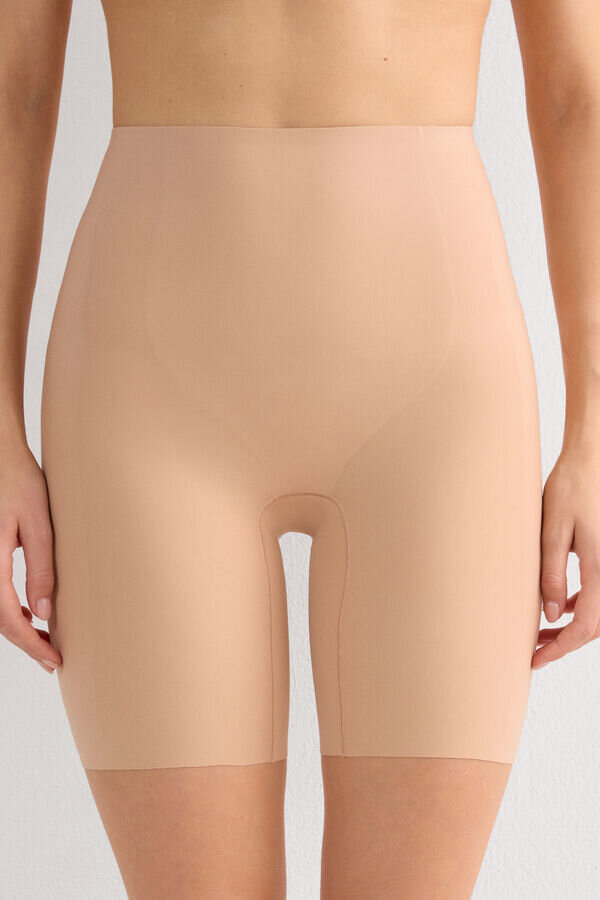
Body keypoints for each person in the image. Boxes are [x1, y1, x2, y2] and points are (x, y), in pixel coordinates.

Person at [2, 1, 599, 897]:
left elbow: (577, 92)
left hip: (438, 404)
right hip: (146, 394)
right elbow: (13, 87)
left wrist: (594, 431)